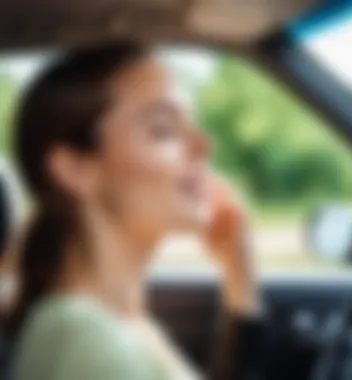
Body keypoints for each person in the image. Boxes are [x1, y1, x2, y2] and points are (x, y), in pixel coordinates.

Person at [6, 43, 316, 380]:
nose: (204, 147)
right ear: (74, 170)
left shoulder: (117, 321)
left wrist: (239, 283)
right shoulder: (90, 344)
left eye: (191, 126)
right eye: (164, 131)